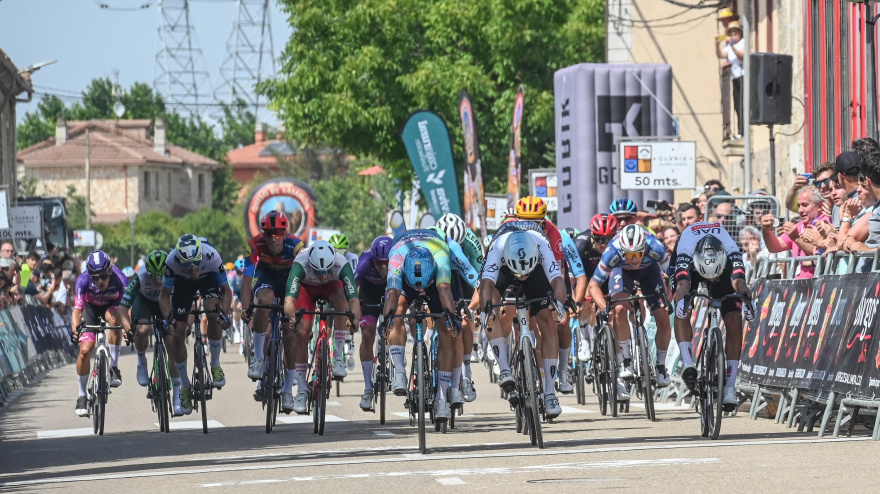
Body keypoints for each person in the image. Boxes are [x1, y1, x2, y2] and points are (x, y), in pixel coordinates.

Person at [479, 230, 567, 418]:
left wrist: (558, 306)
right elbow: (486, 284)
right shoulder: (497, 249)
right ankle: (504, 369)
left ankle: (550, 392)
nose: (522, 276)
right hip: (504, 270)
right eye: (520, 273)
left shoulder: (542, 245)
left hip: (536, 272)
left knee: (548, 320)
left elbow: (558, 280)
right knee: (490, 308)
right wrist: (487, 311)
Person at [379, 230, 460, 421]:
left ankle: (441, 397)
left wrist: (452, 319)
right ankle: (399, 371)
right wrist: (386, 322)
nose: (420, 291)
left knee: (447, 331)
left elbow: (445, 290)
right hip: (406, 281)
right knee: (396, 311)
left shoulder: (441, 256)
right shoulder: (397, 257)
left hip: (434, 281)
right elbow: (392, 294)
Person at [587, 224, 672, 401]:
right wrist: (604, 308)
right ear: (622, 250)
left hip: (649, 273)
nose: (634, 260)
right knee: (618, 308)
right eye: (630, 255)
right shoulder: (613, 252)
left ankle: (661, 366)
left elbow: (674, 276)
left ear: (644, 248)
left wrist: (668, 299)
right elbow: (593, 286)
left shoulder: (656, 247)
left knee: (663, 317)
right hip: (621, 271)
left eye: (638, 254)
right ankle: (626, 360)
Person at [673, 225, 754, 409]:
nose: (709, 281)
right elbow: (683, 284)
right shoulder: (686, 251)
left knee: (734, 317)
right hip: (691, 265)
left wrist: (749, 302)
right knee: (683, 306)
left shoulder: (731, 251)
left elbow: (740, 283)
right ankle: (687, 363)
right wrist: (680, 303)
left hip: (720, 267)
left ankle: (730, 387)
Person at [512, 197, 586, 396]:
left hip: (546, 274)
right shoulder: (509, 230)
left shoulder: (553, 234)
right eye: (524, 221)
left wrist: (558, 303)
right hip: (518, 272)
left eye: (535, 222)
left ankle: (562, 372)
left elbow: (558, 274)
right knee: (519, 319)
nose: (529, 226)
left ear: (543, 221)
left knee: (558, 322)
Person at [284, 240, 361, 414]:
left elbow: (354, 300)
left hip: (332, 289)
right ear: (311, 265)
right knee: (302, 334)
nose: (324, 275)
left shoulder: (341, 263)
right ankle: (302, 390)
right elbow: (289, 301)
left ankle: (338, 357)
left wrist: (354, 319)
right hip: (307, 290)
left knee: (342, 300)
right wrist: (292, 317)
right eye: (320, 271)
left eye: (328, 270)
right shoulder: (300, 264)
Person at [160, 235, 233, 416]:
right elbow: (164, 296)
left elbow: (226, 290)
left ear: (201, 255)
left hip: (207, 278)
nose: (193, 268)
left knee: (213, 312)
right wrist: (169, 318)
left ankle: (215, 364)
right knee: (178, 334)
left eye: (195, 263)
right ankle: (185, 386)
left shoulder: (211, 255)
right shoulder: (171, 261)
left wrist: (224, 314)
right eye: (187, 264)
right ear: (179, 259)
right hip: (182, 284)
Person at [240, 211, 305, 406]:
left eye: (278, 233)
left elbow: (304, 277)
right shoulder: (254, 244)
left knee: (289, 334)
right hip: (266, 275)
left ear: (285, 233)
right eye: (269, 233)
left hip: (288, 278)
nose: (273, 238)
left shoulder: (296, 246)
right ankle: (259, 358)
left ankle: (287, 390)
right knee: (263, 300)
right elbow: (246, 280)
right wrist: (245, 308)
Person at [70, 251, 129, 416]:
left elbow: (126, 309)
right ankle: (82, 394)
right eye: (95, 277)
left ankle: (114, 367)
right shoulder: (82, 281)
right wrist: (75, 330)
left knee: (116, 321)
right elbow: (77, 310)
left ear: (110, 270)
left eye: (103, 276)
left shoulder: (120, 278)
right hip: (90, 309)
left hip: (112, 306)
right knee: (85, 350)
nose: (100, 281)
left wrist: (128, 329)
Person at [434, 213, 485, 402]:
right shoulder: (433, 240)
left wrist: (471, 308)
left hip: (462, 274)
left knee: (463, 322)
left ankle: (466, 374)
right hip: (440, 271)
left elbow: (479, 281)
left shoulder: (471, 244)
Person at [573, 214, 619, 363]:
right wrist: (577, 301)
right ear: (592, 235)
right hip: (586, 277)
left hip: (608, 277)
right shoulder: (580, 245)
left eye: (608, 239)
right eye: (599, 239)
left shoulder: (619, 244)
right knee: (584, 298)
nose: (603, 244)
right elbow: (575, 277)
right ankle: (584, 338)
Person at [119, 251, 168, 389]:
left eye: (161, 276)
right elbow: (122, 308)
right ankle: (141, 359)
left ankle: (176, 387)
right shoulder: (139, 276)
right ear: (148, 272)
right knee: (142, 329)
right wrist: (128, 330)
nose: (158, 280)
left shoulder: (173, 275)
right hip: (144, 301)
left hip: (163, 301)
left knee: (170, 337)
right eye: (154, 276)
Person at [354, 236, 392, 411]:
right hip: (369, 294)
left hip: (390, 291)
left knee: (393, 327)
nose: (384, 266)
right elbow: (352, 288)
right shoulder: (364, 262)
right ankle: (368, 389)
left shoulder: (398, 260)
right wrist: (351, 313)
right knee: (368, 334)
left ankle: (397, 361)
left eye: (387, 262)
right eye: (379, 263)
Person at [761, 187, 830, 278]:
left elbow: (819, 252)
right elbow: (774, 247)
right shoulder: (799, 225)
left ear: (820, 206)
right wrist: (766, 230)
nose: (800, 210)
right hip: (799, 285)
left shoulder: (825, 223)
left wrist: (796, 238)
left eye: (805, 205)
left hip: (818, 285)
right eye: (799, 206)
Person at [716, 21, 745, 137]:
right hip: (735, 76)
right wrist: (716, 44)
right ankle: (739, 131)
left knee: (743, 104)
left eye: (735, 32)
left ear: (739, 33)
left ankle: (743, 131)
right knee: (737, 104)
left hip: (743, 76)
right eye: (731, 33)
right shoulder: (729, 46)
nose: (733, 35)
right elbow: (720, 55)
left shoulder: (742, 43)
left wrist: (732, 46)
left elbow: (741, 56)